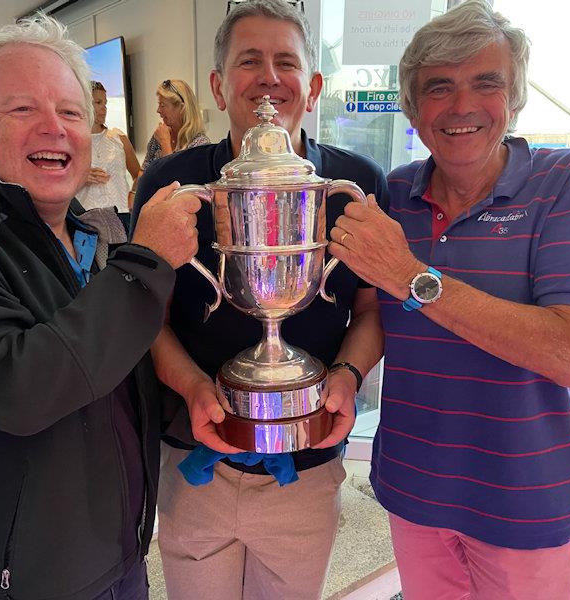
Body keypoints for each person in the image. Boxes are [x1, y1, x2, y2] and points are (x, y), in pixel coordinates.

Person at [0, 15, 201, 600]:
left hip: (121, 561)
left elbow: (104, 381)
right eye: (22, 109)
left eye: (71, 112)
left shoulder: (86, 239)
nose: (54, 128)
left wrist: (199, 407)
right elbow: (19, 391)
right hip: (14, 583)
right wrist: (147, 262)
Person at [327, 2, 570, 599]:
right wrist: (346, 373)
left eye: (486, 83)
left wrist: (412, 276)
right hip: (413, 488)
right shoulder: (395, 192)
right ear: (413, 108)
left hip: (525, 502)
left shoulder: (568, 182)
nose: (462, 107)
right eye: (439, 88)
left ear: (514, 99)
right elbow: (378, 312)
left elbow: (569, 353)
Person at [131, 1, 387, 598]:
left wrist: (347, 376)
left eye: (286, 62)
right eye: (249, 61)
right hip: (194, 459)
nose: (269, 77)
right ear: (219, 85)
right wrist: (196, 388)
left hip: (309, 462)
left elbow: (373, 309)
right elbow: (146, 317)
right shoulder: (171, 183)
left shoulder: (359, 181)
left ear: (313, 85)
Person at [75, 80, 139, 231]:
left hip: (121, 217)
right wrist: (79, 177)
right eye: (98, 102)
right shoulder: (72, 143)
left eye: (105, 103)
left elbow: (139, 174)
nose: (104, 108)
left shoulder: (119, 138)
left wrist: (132, 195)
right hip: (86, 221)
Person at [140, 78, 210, 173]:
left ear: (181, 108)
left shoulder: (200, 144)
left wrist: (165, 142)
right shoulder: (159, 136)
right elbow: (143, 171)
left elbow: (174, 180)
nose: (158, 110)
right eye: (159, 104)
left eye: (163, 105)